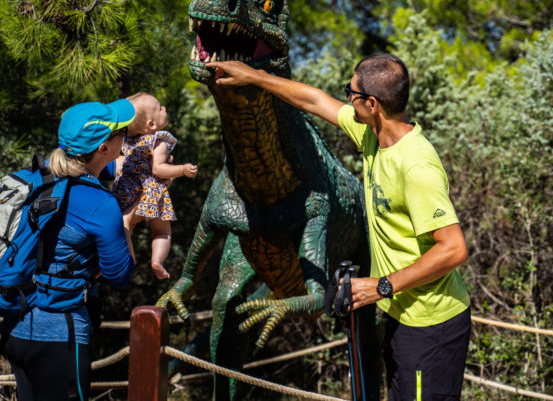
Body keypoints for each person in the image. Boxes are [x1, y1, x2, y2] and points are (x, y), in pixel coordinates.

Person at [206, 54, 471, 401]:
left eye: (352, 91)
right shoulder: (371, 134)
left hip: (431, 325)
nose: (347, 97)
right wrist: (254, 77)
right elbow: (314, 100)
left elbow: (454, 248)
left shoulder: (417, 165)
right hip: (402, 314)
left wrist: (382, 286)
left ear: (372, 104)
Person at [1, 100, 136, 401]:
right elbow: (119, 274)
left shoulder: (37, 179)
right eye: (121, 132)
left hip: (15, 329)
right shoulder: (100, 204)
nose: (125, 136)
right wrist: (128, 224)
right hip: (60, 336)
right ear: (104, 148)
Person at [113, 92, 197, 279]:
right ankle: (157, 261)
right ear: (151, 124)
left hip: (125, 193)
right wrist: (181, 170)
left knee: (126, 229)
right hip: (150, 193)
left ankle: (124, 261)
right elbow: (158, 170)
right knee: (161, 232)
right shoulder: (158, 141)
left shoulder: (123, 141)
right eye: (160, 108)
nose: (164, 109)